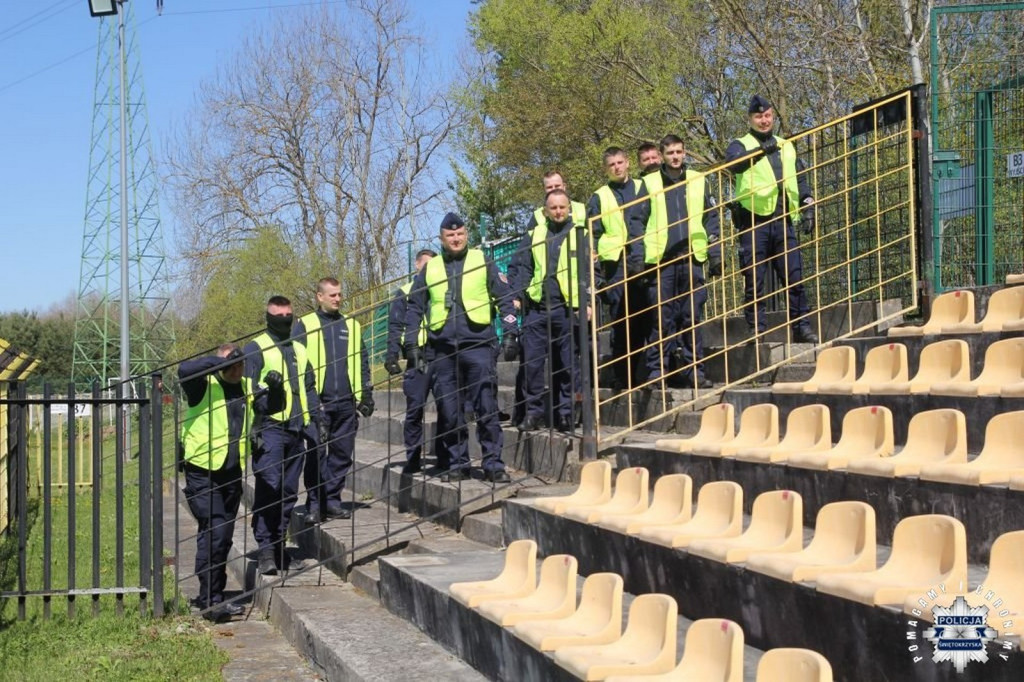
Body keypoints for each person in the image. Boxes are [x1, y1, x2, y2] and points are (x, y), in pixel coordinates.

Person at [404, 212, 518, 483]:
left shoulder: (482, 260)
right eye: (449, 235)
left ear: (467, 235)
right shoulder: (430, 269)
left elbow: (505, 297)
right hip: (442, 350)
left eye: (460, 234)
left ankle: (493, 464)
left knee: (486, 406)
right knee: (449, 410)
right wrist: (411, 343)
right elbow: (415, 307)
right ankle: (458, 464)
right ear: (441, 239)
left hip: (478, 345)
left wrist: (511, 331)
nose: (455, 239)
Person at [178, 343, 283, 621]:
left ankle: (210, 596)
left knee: (219, 537)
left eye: (239, 365)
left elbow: (274, 406)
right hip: (203, 471)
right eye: (231, 366)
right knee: (216, 531)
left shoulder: (248, 385)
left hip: (231, 470)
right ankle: (211, 601)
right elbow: (183, 369)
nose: (236, 371)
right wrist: (218, 362)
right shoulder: (203, 385)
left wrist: (277, 389)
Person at [627, 134, 722, 390]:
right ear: (662, 155)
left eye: (679, 152)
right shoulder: (648, 184)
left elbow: (711, 218)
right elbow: (636, 224)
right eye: (670, 153)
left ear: (685, 153)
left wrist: (715, 254)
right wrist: (637, 259)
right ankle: (658, 372)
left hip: (691, 259)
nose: (675, 157)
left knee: (691, 319)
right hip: (661, 263)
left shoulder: (698, 180)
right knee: (662, 321)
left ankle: (695, 372)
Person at [724, 94, 819, 344]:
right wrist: (758, 152)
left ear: (772, 117)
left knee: (795, 277)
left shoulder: (786, 145)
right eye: (759, 116)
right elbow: (733, 165)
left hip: (783, 220)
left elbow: (799, 178)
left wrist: (807, 202)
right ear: (750, 119)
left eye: (767, 116)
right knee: (754, 281)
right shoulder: (740, 144)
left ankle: (801, 326)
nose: (764, 121)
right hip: (754, 222)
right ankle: (757, 330)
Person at [244, 295, 319, 576]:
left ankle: (279, 548)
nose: (285, 321)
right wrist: (269, 397)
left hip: (296, 429)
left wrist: (315, 420)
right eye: (279, 317)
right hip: (269, 428)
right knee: (269, 488)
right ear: (268, 318)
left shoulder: (300, 349)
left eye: (289, 316)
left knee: (288, 493)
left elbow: (308, 387)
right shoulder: (256, 348)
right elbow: (250, 392)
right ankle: (265, 550)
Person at [293, 278, 374, 523]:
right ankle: (315, 504)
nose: (338, 299)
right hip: (318, 403)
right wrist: (306, 401)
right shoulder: (304, 325)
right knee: (317, 455)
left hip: (346, 402)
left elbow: (361, 361)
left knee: (342, 454)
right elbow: (295, 363)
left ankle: (332, 501)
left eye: (339, 295)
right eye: (332, 295)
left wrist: (366, 394)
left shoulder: (350, 324)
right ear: (319, 296)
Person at [510, 189, 591, 432]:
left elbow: (589, 271)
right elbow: (523, 267)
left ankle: (566, 414)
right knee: (532, 366)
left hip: (566, 309)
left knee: (568, 366)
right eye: (553, 208)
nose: (558, 212)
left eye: (562, 207)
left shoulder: (581, 234)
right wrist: (517, 295)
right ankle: (533, 414)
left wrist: (587, 302)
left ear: (569, 209)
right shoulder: (534, 235)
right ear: (545, 211)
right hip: (536, 309)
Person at [587, 146, 644, 391]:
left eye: (620, 162)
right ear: (606, 169)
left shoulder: (643, 187)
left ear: (628, 162)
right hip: (615, 266)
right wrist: (598, 274)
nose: (617, 168)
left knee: (645, 318)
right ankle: (623, 377)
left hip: (643, 258)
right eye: (612, 165)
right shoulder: (599, 196)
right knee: (621, 323)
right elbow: (592, 236)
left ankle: (645, 375)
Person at [384, 249, 439, 474]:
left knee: (449, 408)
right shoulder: (404, 292)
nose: (429, 269)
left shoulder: (441, 286)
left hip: (441, 353)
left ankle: (447, 458)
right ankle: (413, 457)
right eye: (426, 265)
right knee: (414, 409)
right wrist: (392, 354)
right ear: (417, 265)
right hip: (417, 356)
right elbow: (396, 325)